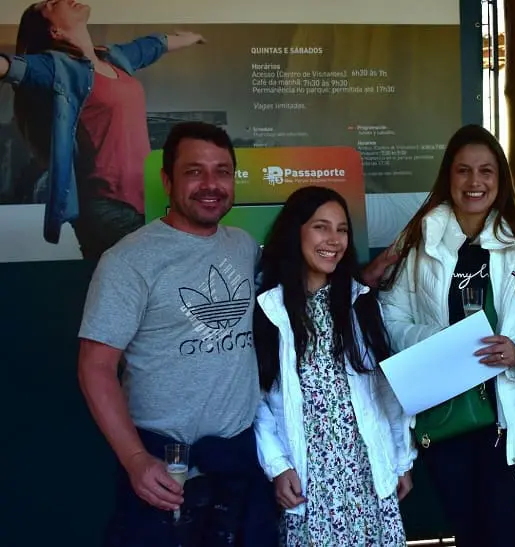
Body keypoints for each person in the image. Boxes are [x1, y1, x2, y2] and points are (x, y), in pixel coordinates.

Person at [77, 121, 275, 546]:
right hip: (163, 464)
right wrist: (135, 459)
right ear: (167, 181)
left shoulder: (243, 246)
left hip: (240, 459)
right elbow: (95, 367)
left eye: (222, 171)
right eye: (194, 172)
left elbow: (305, 290)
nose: (211, 185)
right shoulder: (129, 261)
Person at [375, 124, 515, 547]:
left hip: (511, 421)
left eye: (486, 171)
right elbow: (390, 316)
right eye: (463, 170)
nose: (474, 181)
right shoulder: (418, 238)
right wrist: (442, 342)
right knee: (468, 535)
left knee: (505, 534)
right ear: (449, 176)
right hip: (448, 416)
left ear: (500, 179)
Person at [253, 185, 416, 546]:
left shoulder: (360, 303)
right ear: (295, 231)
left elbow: (386, 392)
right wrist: (278, 465)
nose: (334, 240)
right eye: (320, 227)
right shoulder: (271, 310)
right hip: (309, 483)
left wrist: (401, 459)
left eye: (342, 229)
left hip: (366, 474)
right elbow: (258, 401)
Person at [0, 0, 205, 259]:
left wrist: (189, 38)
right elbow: (11, 67)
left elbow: (152, 46)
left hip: (143, 199)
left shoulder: (114, 58)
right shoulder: (56, 67)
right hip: (105, 204)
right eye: (51, 4)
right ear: (55, 31)